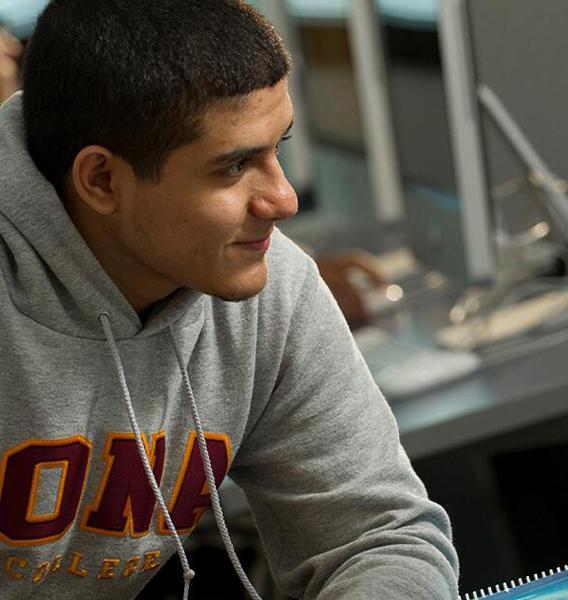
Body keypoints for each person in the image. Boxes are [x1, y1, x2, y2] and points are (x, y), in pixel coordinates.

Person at [0, 1, 458, 599]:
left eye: (278, 148)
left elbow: (380, 535)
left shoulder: (273, 289)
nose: (284, 199)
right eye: (235, 166)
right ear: (103, 180)